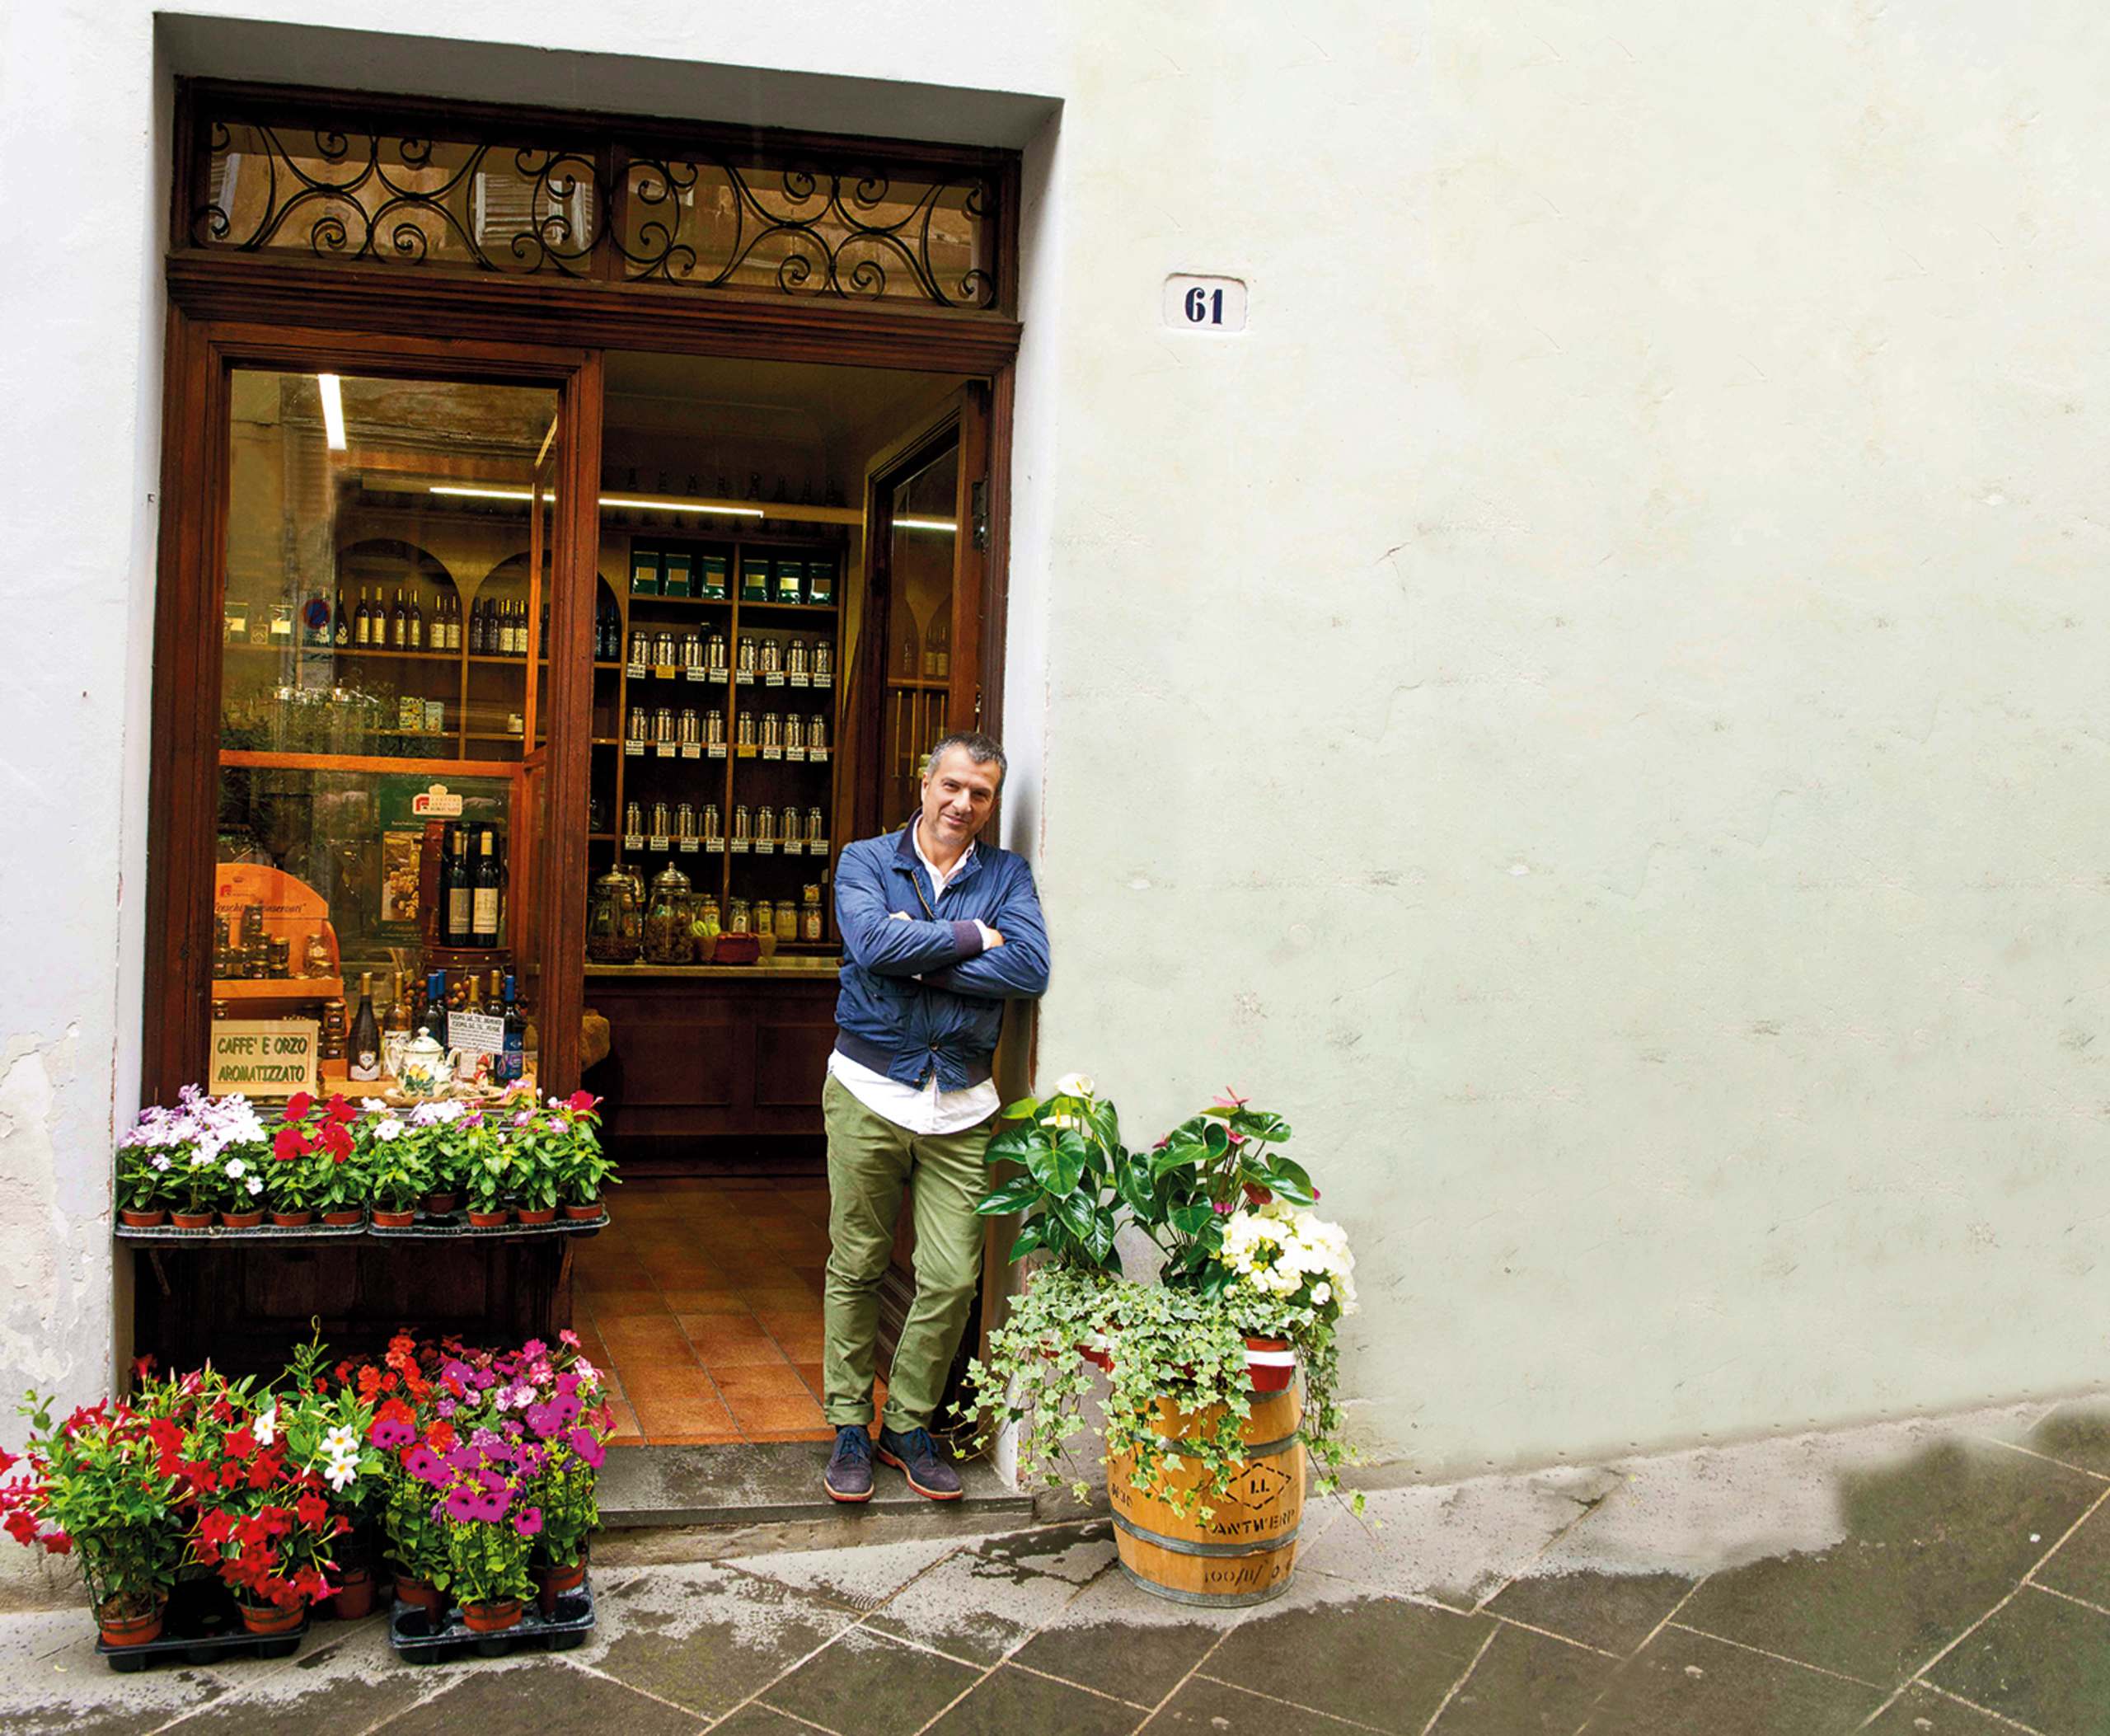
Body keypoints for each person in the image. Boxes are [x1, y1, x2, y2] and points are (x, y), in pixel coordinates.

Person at [819, 730, 1049, 1501]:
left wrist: (913, 953)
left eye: (980, 794)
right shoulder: (865, 860)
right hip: (868, 1090)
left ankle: (908, 1423)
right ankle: (851, 1420)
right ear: (924, 782)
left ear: (991, 802)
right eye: (951, 786)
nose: (962, 804)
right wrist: (967, 937)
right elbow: (869, 941)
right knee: (856, 1263)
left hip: (962, 1101)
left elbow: (1030, 966)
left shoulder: (1007, 873)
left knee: (952, 1277)